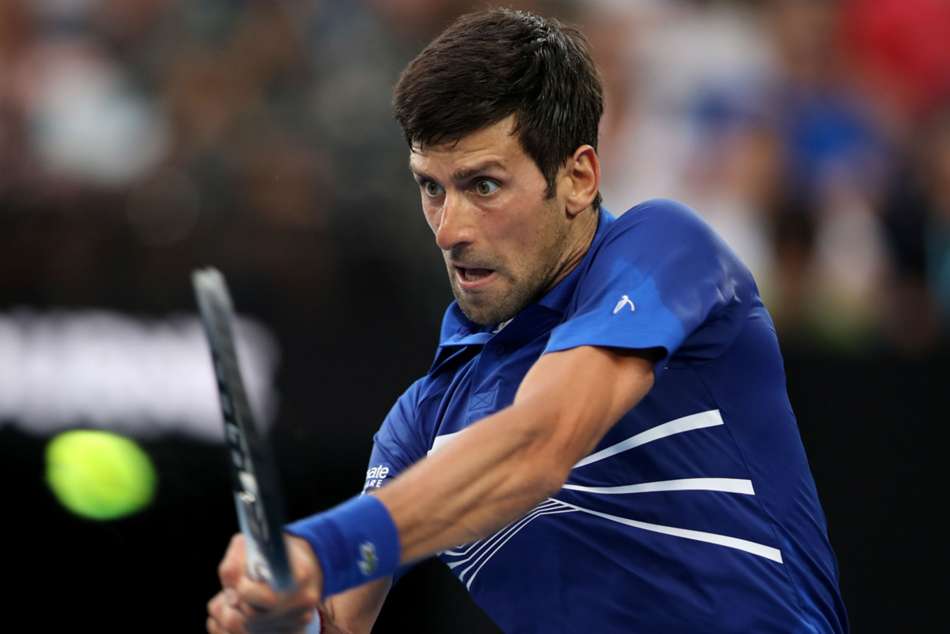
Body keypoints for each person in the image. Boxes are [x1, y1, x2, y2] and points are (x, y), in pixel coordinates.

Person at [207, 8, 848, 633]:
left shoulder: (666, 250)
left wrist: (320, 549)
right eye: (432, 188)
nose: (449, 230)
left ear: (578, 178)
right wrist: (282, 616)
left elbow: (540, 442)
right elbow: (337, 619)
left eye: (483, 185)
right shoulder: (419, 425)